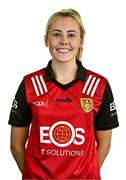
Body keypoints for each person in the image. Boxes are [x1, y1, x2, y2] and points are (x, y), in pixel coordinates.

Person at [8, 9, 119, 179]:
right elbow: (16, 145)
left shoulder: (98, 85)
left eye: (71, 35)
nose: (64, 41)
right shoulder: (30, 84)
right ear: (46, 40)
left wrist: (86, 174)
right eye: (57, 34)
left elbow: (105, 144)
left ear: (81, 40)